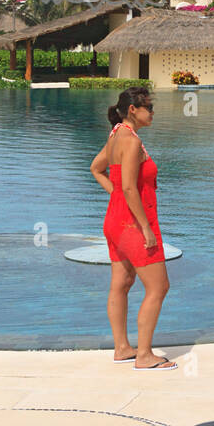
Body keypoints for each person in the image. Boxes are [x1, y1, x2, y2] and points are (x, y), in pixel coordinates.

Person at [90, 87, 176, 370]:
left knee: (122, 284)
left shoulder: (116, 135)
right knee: (158, 287)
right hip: (133, 225)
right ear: (132, 110)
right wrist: (145, 228)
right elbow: (128, 187)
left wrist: (116, 196)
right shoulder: (131, 141)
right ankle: (144, 355)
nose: (152, 112)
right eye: (148, 107)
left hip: (115, 222)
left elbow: (95, 168)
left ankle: (122, 348)